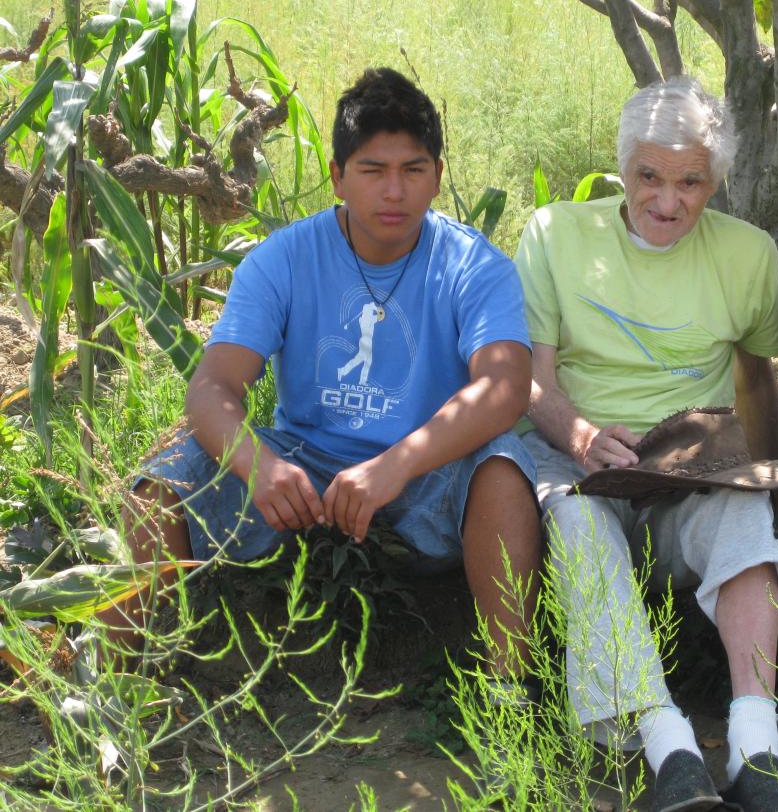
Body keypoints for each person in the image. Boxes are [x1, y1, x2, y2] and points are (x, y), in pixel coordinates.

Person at [105, 68, 542, 686]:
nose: (395, 191)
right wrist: (259, 464)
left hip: (429, 468)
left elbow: (505, 388)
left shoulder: (473, 265)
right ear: (338, 176)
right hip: (306, 465)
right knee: (165, 472)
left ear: (438, 177)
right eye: (372, 170)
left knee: (502, 464)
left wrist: (395, 464)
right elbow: (211, 388)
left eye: (414, 170)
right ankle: (126, 684)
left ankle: (510, 692)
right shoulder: (283, 258)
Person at [516, 77, 778, 812]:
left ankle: (754, 744)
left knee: (745, 511)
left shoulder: (749, 254)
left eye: (691, 182)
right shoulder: (554, 233)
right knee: (577, 518)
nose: (667, 201)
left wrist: (745, 454)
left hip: (690, 469)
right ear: (623, 168)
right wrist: (581, 434)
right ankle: (666, 744)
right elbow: (532, 380)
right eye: (649, 176)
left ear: (716, 183)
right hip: (582, 464)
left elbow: (759, 379)